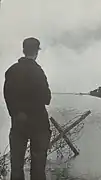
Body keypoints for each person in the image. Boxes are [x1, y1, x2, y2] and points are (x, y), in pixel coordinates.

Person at [3, 37, 52, 180]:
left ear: (23, 50)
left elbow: (7, 96)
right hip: (39, 124)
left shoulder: (11, 71)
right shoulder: (38, 72)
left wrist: (16, 114)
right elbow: (47, 99)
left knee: (16, 166)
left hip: (18, 123)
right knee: (38, 167)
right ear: (37, 52)